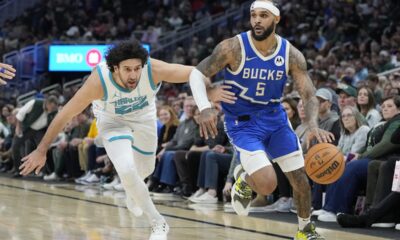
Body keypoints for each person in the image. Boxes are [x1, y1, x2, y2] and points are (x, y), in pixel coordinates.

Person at [19, 40, 223, 240]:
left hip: (144, 118)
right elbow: (64, 115)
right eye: (127, 69)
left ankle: (132, 189)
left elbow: (197, 72)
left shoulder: (153, 69)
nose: (134, 75)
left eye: (137, 68)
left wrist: (207, 94)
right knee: (126, 168)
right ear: (115, 68)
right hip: (112, 121)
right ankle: (157, 222)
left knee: (145, 170)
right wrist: (41, 149)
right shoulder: (98, 82)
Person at [188, 1, 333, 239]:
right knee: (267, 185)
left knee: (300, 179)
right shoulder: (233, 47)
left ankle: (305, 230)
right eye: (253, 15)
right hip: (242, 123)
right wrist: (205, 105)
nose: (256, 20)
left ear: (276, 19)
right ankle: (243, 179)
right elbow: (197, 73)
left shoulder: (291, 54)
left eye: (263, 15)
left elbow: (308, 93)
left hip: (275, 119)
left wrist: (313, 124)